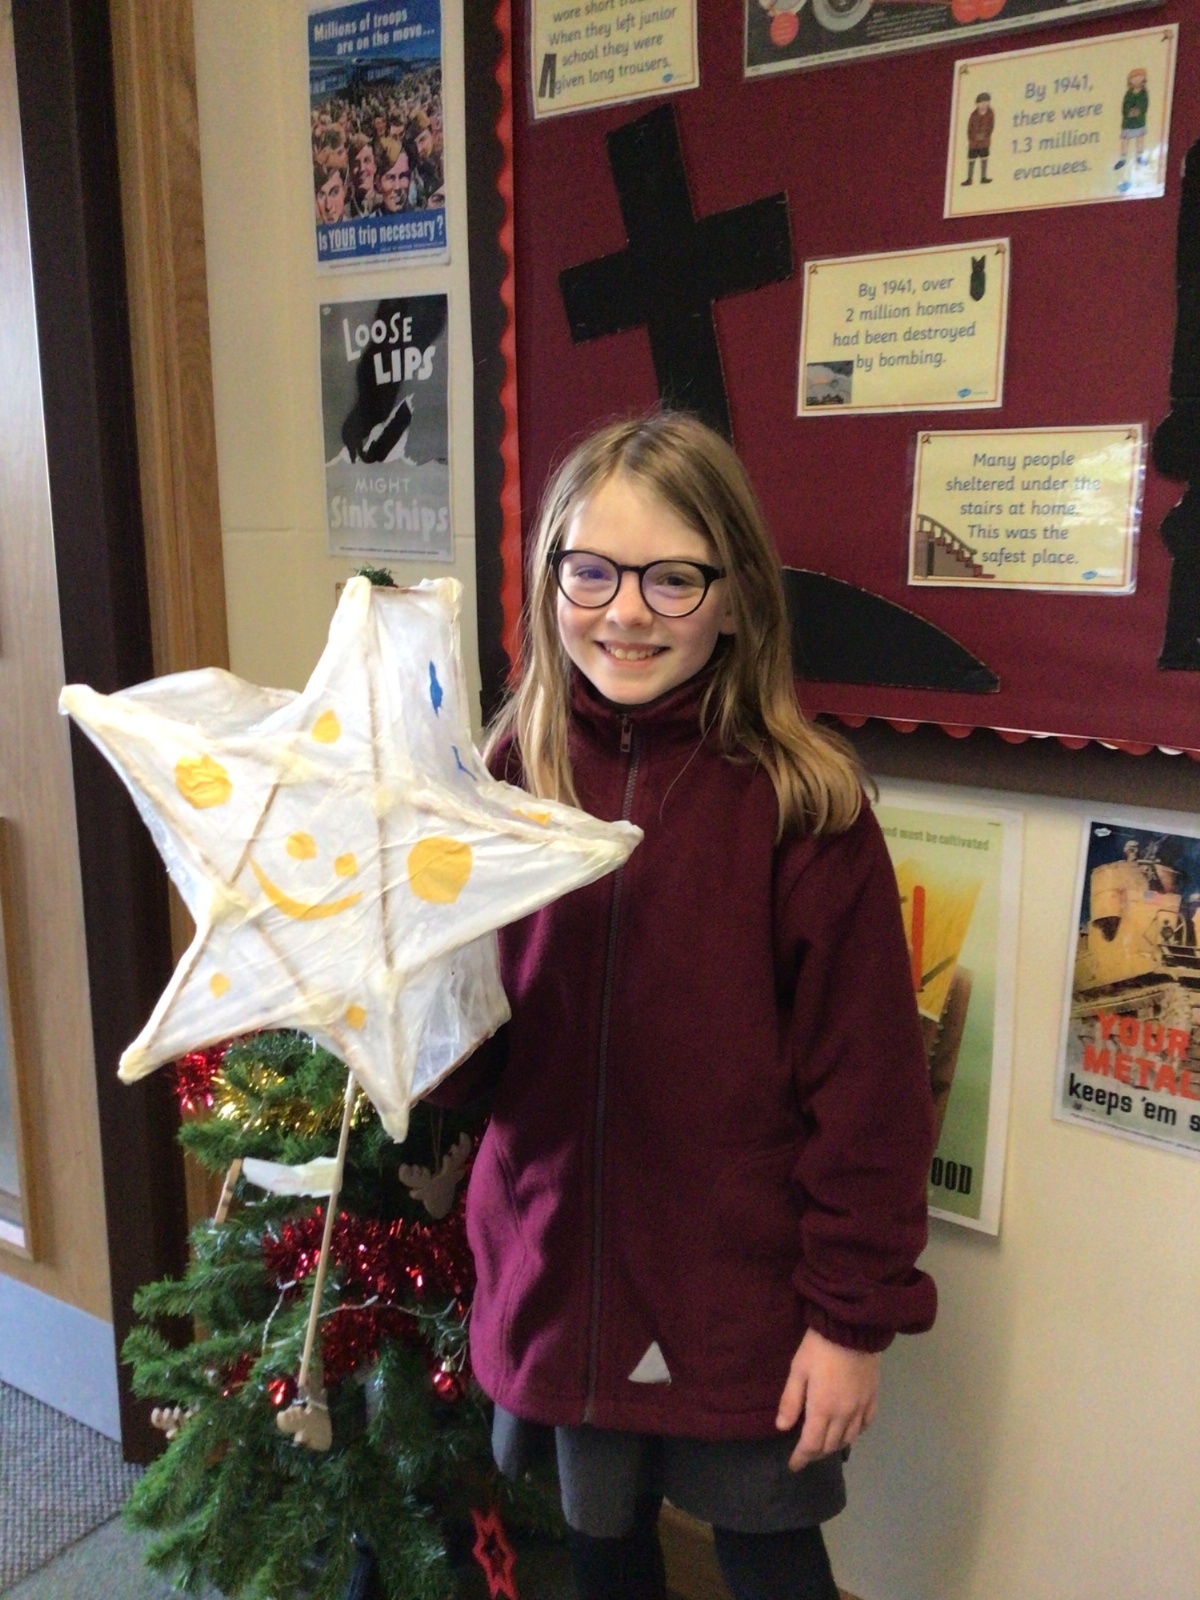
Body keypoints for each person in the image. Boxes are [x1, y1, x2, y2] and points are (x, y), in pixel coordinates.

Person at [435, 413, 936, 1600]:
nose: (625, 611)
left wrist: (850, 1321)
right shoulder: (504, 785)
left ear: (735, 597)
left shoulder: (803, 808)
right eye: (592, 572)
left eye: (671, 577)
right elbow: (479, 1054)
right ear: (551, 579)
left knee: (769, 1556)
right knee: (602, 1549)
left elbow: (871, 1098)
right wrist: (406, 1013)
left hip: (742, 1298)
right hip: (560, 1272)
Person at [961, 91, 994, 186]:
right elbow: (969, 128)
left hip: (984, 142)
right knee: (971, 159)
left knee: (984, 158)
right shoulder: (973, 115)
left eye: (985, 102)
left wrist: (985, 135)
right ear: (977, 104)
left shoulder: (990, 113)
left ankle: (983, 178)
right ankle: (969, 179)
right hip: (974, 143)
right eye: (981, 102)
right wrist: (972, 138)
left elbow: (991, 126)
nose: (983, 105)